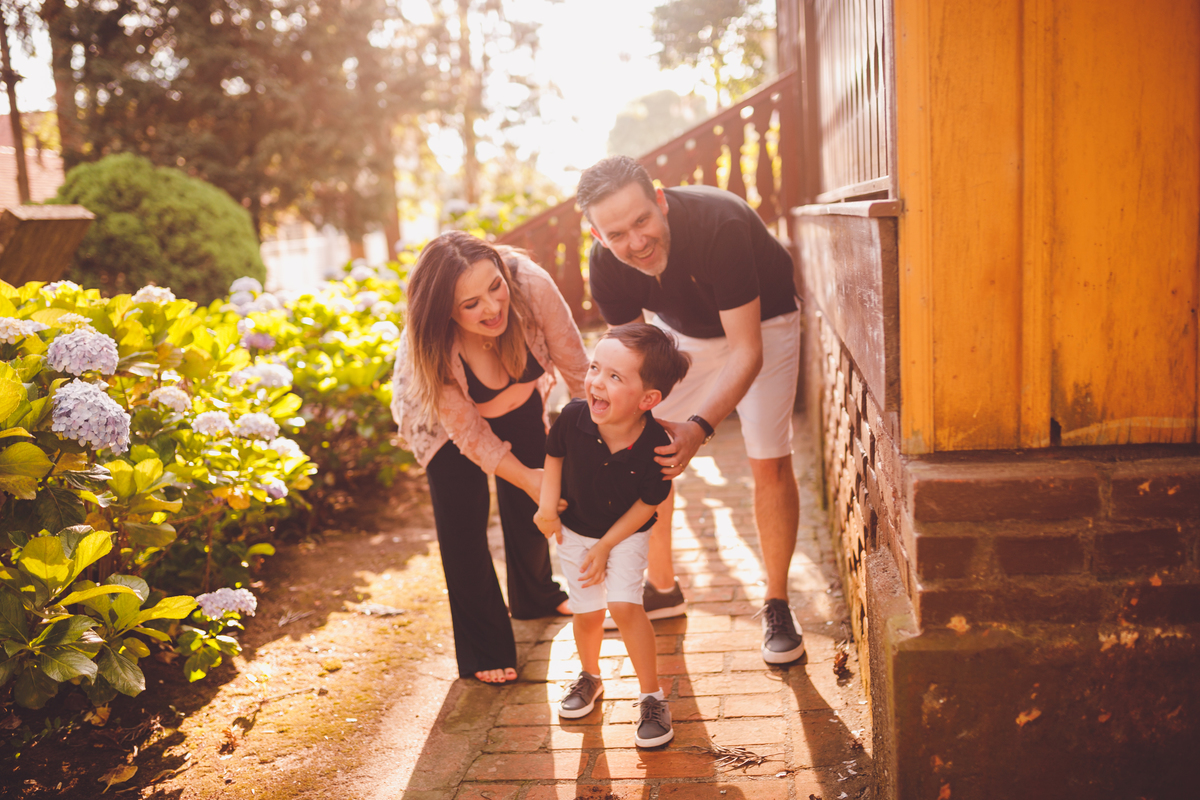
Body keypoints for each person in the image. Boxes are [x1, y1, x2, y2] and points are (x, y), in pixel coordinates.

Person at [577, 155, 806, 665]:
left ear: (659, 200)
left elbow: (747, 350)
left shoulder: (717, 223)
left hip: (764, 325)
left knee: (769, 457)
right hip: (686, 335)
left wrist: (699, 427)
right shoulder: (604, 263)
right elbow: (631, 356)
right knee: (643, 445)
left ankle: (776, 603)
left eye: (642, 221)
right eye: (616, 234)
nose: (635, 242)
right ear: (596, 235)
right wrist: (623, 419)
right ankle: (661, 589)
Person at [390, 232, 588, 685]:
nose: (492, 309)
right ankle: (484, 646)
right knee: (463, 520)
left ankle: (535, 594)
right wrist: (529, 478)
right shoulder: (431, 345)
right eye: (471, 304)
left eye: (494, 288)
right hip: (445, 424)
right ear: (446, 312)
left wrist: (593, 449)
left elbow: (578, 372)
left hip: (516, 399)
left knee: (531, 498)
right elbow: (471, 436)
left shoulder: (532, 286)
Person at [534, 323, 690, 747]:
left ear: (648, 399)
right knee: (586, 613)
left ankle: (652, 697)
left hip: (626, 534)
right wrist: (547, 510)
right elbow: (554, 458)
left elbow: (648, 504)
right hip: (575, 531)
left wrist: (606, 546)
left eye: (615, 377)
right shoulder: (572, 417)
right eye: (596, 368)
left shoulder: (657, 445)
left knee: (624, 606)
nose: (597, 382)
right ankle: (590, 676)